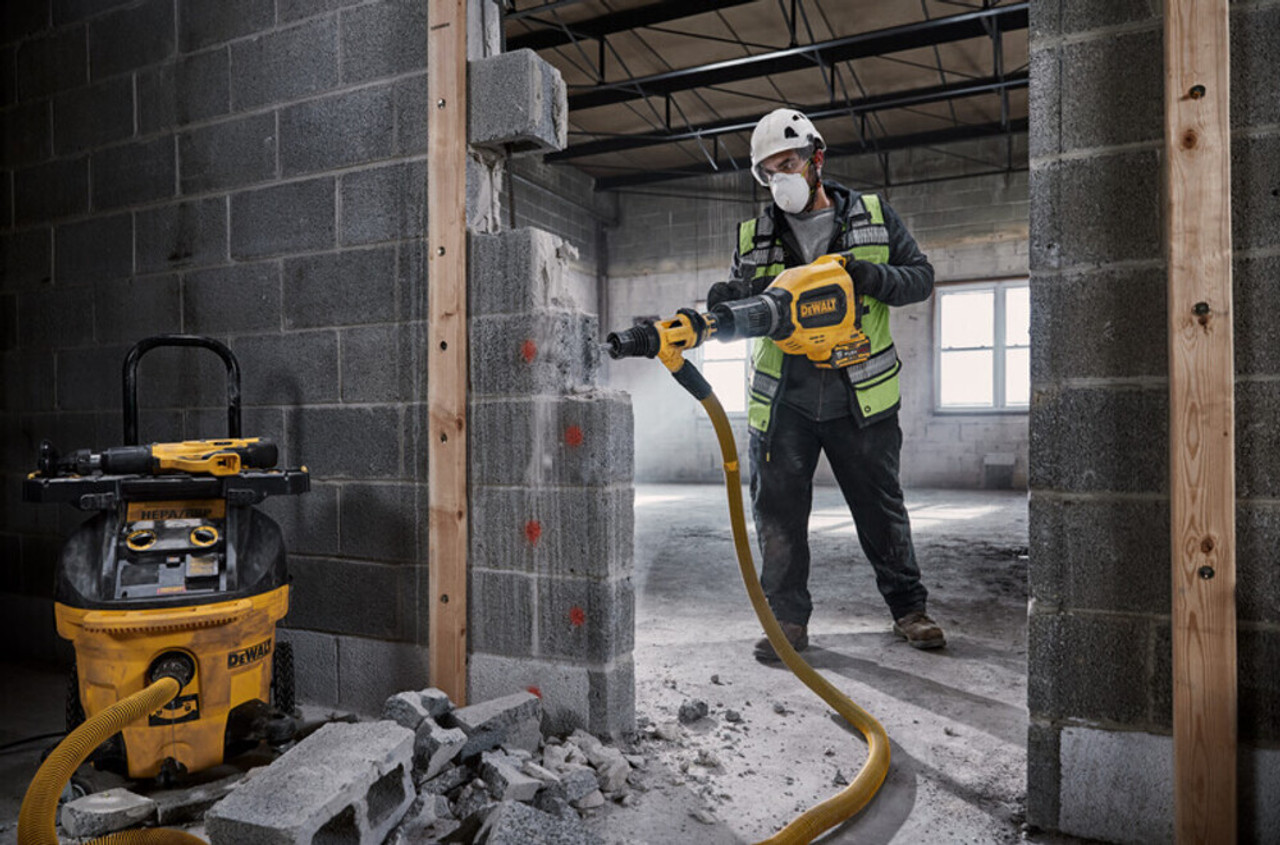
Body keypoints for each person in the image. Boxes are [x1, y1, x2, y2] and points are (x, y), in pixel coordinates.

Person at [706, 108, 944, 661]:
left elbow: (922, 278)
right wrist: (725, 302)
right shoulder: (754, 234)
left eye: (787, 162)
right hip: (783, 403)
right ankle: (788, 621)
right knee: (779, 517)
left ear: (817, 158)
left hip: (859, 396)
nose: (780, 177)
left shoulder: (873, 216)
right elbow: (749, 309)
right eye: (768, 171)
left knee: (880, 510)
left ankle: (909, 608)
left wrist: (870, 276)